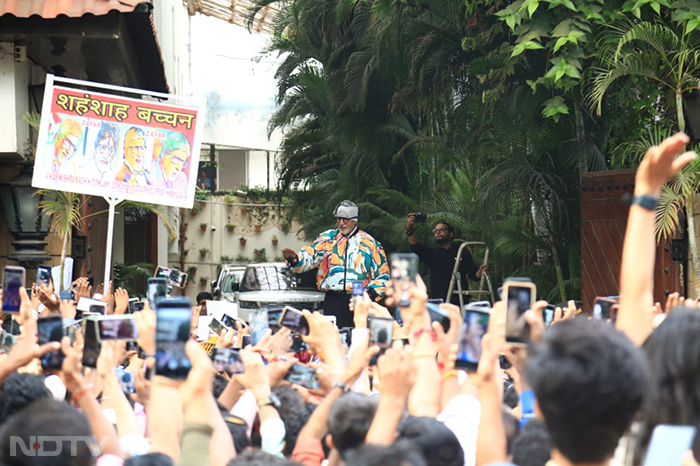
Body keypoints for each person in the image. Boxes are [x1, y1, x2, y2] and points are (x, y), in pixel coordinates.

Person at [282, 200, 390, 328]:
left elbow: (383, 275)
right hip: (333, 299)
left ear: (355, 220)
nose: (341, 223)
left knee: (359, 336)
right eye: (339, 219)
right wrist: (295, 259)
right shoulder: (327, 239)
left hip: (360, 298)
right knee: (333, 336)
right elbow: (310, 256)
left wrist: (371, 294)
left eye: (346, 220)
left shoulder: (369, 243)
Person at [406, 214, 487, 305]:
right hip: (440, 302)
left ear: (451, 234)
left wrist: (480, 272)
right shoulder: (431, 252)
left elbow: (473, 275)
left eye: (442, 230)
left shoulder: (461, 250)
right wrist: (410, 228)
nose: (438, 232)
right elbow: (415, 246)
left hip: (460, 301)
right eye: (435, 231)